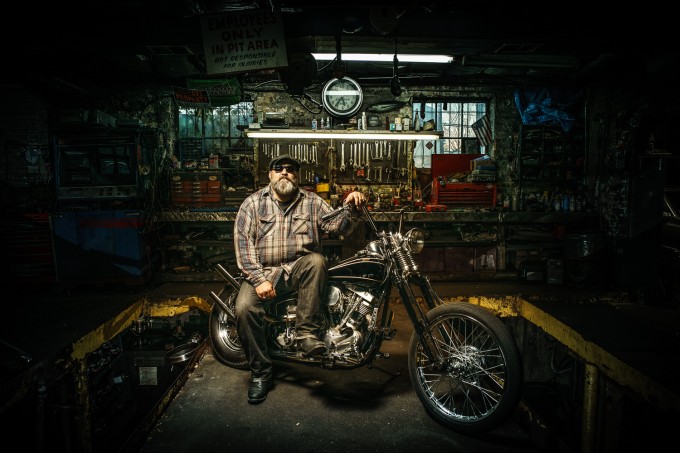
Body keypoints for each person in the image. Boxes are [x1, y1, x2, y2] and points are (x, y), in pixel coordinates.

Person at [233, 154, 366, 404]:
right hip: (264, 272)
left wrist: (352, 206)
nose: (285, 172)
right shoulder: (252, 204)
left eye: (290, 169)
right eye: (278, 168)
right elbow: (244, 245)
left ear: (297, 176)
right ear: (270, 175)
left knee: (317, 260)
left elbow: (340, 227)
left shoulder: (312, 201)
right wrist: (259, 279)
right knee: (243, 309)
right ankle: (261, 373)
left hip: (299, 269)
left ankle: (306, 336)